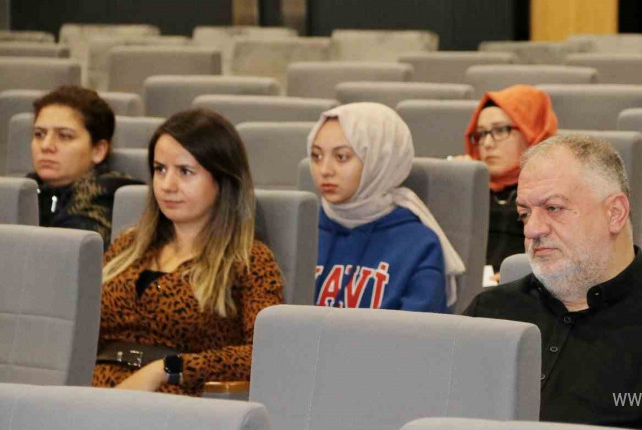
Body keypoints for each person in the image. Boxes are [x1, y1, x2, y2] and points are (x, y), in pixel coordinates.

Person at [464, 135, 642, 429]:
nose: (532, 229)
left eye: (553, 208)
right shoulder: (489, 314)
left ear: (615, 213)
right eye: (525, 214)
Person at [92, 109, 284, 396]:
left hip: (176, 405)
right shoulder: (128, 246)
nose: (168, 185)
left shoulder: (249, 260)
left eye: (185, 171)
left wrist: (165, 370)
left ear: (221, 180)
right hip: (93, 394)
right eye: (160, 169)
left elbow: (267, 354)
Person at [309, 102, 464, 312]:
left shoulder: (419, 244)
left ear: (379, 160)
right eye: (316, 156)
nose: (325, 170)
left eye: (341, 157)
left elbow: (420, 336)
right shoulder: (303, 228)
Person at [27, 85, 141, 247]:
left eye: (64, 136)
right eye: (39, 134)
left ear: (98, 150)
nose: (46, 145)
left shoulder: (107, 199)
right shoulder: (26, 191)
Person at [462, 84, 558, 271]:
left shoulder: (556, 193)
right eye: (480, 134)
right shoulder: (470, 189)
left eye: (500, 130)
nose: (487, 144)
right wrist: (461, 189)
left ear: (530, 131)